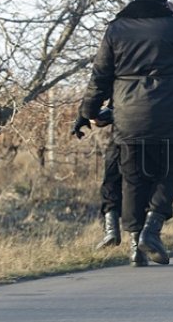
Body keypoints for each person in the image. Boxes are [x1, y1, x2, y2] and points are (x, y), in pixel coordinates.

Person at [80, 0, 173, 266]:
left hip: (127, 116)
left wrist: (89, 110)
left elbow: (100, 74)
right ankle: (152, 228)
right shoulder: (172, 24)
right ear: (164, 1)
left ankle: (134, 245)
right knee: (168, 174)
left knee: (133, 179)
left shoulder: (115, 29)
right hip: (166, 115)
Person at [71, 107, 123, 249]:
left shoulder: (124, 84)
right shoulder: (167, 84)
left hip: (125, 136)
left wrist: (86, 114)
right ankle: (139, 242)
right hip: (160, 138)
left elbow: (98, 91)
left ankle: (111, 230)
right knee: (142, 189)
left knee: (111, 182)